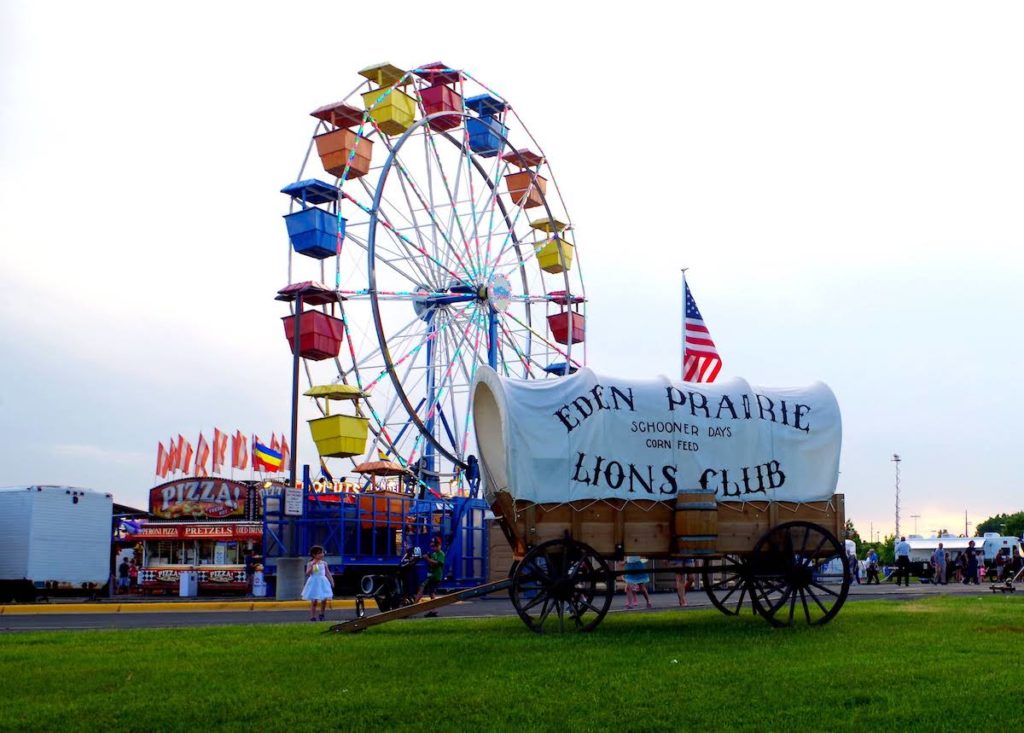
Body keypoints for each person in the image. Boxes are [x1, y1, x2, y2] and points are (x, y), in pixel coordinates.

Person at [301, 545, 335, 621]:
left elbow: (327, 573)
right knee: (314, 600)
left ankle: (322, 614)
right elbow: (307, 573)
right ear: (314, 555)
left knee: (324, 599)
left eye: (322, 553)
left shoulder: (324, 563)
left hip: (323, 582)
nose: (321, 554)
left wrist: (331, 580)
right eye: (319, 553)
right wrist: (312, 566)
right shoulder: (310, 563)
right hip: (314, 582)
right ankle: (312, 616)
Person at [415, 536, 445, 615]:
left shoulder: (441, 554)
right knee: (426, 590)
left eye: (435, 546)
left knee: (427, 590)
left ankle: (414, 606)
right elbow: (427, 558)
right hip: (430, 576)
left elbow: (438, 563)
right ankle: (433, 609)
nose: (433, 548)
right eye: (432, 546)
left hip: (436, 576)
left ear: (439, 545)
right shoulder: (433, 553)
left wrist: (427, 559)